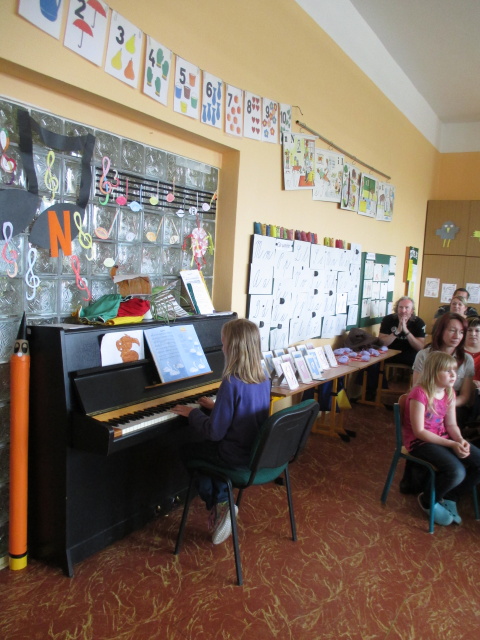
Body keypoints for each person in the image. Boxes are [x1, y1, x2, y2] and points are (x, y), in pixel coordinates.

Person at [172, 318, 271, 545]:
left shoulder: (231, 382)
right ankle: (223, 499)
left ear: (232, 348)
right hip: (253, 453)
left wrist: (193, 413)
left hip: (233, 456)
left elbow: (214, 432)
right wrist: (216, 407)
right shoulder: (263, 377)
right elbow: (244, 412)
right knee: (207, 452)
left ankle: (221, 503)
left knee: (189, 452)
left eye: (223, 342)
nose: (221, 347)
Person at [403, 351, 480, 526]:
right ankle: (428, 499)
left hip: (442, 438)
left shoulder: (449, 392)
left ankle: (451, 495)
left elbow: (451, 424)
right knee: (456, 471)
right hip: (420, 442)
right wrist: (451, 444)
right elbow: (419, 431)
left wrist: (459, 440)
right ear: (433, 372)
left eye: (454, 371)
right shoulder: (419, 393)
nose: (454, 375)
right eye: (447, 371)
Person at [413, 313, 474, 427]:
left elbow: (464, 397)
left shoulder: (467, 359)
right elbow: (416, 386)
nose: (457, 336)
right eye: (452, 330)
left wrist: (444, 406)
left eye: (461, 332)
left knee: (455, 420)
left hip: (453, 405)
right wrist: (431, 405)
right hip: (426, 402)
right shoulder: (424, 355)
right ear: (440, 331)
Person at [379, 296, 425, 365]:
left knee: (422, 361)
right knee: (374, 362)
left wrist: (406, 331)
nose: (403, 311)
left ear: (412, 311)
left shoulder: (419, 322)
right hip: (390, 353)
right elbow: (381, 343)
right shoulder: (388, 319)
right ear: (397, 309)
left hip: (410, 354)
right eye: (400, 307)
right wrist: (397, 331)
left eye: (407, 308)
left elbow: (420, 347)